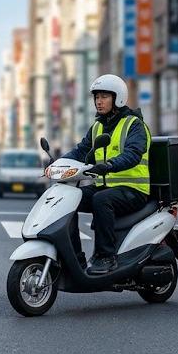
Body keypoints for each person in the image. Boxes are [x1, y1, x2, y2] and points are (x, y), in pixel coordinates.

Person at [62, 74, 151, 275]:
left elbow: (133, 154)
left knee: (102, 200)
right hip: (107, 186)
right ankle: (74, 256)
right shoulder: (98, 126)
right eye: (96, 97)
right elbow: (80, 151)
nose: (98, 101)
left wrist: (109, 165)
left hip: (134, 190)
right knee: (69, 198)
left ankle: (106, 256)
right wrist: (58, 163)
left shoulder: (134, 125)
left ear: (117, 98)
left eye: (104, 97)